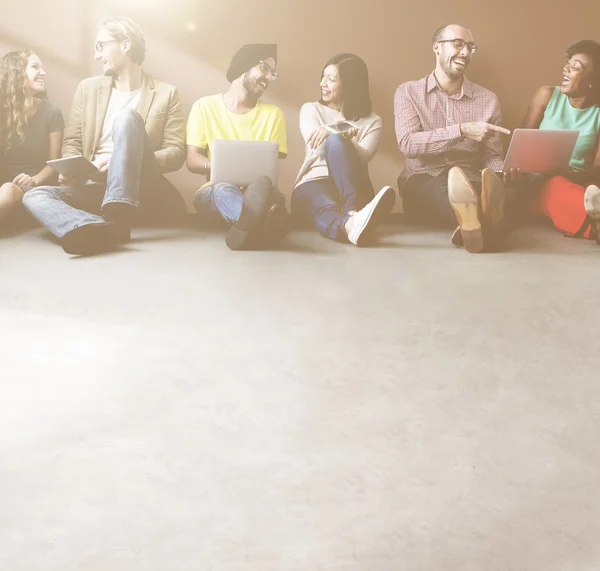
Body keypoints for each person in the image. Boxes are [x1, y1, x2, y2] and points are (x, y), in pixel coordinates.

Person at [22, 17, 186, 255]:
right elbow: (72, 143)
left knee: (127, 117)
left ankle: (117, 211)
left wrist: (125, 159)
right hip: (95, 183)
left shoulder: (166, 93)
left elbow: (176, 152)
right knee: (35, 196)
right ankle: (93, 227)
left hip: (141, 184)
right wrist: (75, 170)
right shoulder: (87, 88)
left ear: (126, 45)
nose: (96, 55)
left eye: (101, 46)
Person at [394, 24, 511, 253]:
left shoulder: (488, 99)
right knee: (444, 191)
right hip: (423, 178)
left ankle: (471, 223)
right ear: (436, 47)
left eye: (470, 47)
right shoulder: (407, 92)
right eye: (458, 44)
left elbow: (491, 154)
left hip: (471, 178)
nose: (465, 52)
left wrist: (499, 175)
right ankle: (487, 220)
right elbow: (408, 144)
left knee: (486, 189)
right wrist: (461, 131)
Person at [186, 43, 287, 250]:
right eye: (264, 68)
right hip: (214, 192)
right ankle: (257, 225)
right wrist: (218, 167)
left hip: (257, 191)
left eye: (272, 73)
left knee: (271, 195)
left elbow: (269, 168)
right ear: (244, 66)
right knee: (223, 188)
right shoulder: (204, 107)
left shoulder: (273, 114)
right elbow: (192, 160)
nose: (269, 78)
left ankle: (246, 229)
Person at [292, 53, 394, 246]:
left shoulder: (373, 121)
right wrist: (337, 132)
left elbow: (363, 158)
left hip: (354, 185)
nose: (323, 83)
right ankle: (351, 220)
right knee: (326, 205)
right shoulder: (311, 109)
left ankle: (350, 214)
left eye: (331, 79)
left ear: (350, 84)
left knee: (338, 140)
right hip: (315, 183)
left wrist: (343, 132)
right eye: (323, 77)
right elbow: (317, 146)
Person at [519, 40, 600, 241]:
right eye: (568, 64)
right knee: (557, 187)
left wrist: (569, 174)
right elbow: (519, 145)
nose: (565, 70)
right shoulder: (547, 96)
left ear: (592, 81)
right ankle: (594, 224)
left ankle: (591, 216)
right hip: (538, 183)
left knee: (577, 190)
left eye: (575, 68)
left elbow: (598, 170)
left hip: (583, 184)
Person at [0, 50, 63, 228]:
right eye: (35, 67)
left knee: (8, 189)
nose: (43, 73)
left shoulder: (51, 111)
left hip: (32, 188)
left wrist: (34, 179)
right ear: (16, 74)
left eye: (42, 68)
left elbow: (55, 162)